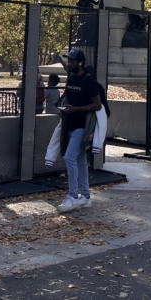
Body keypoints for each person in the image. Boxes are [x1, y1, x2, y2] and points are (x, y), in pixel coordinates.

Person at [56, 48, 101, 213]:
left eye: (73, 61)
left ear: (80, 63)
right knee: (81, 160)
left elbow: (97, 104)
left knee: (69, 157)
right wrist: (63, 107)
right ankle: (86, 197)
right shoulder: (71, 78)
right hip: (70, 123)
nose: (70, 63)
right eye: (69, 61)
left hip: (82, 125)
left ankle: (73, 196)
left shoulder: (88, 81)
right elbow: (69, 96)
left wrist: (76, 109)